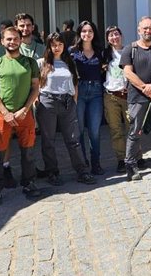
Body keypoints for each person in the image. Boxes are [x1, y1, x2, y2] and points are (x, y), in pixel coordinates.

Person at [0, 27, 41, 206]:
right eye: (8, 39)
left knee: (28, 152)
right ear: (2, 41)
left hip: (25, 114)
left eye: (15, 39)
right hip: (2, 116)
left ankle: (29, 182)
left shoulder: (30, 63)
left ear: (20, 40)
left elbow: (35, 88)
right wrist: (5, 112)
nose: (12, 42)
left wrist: (25, 109)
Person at [36, 33, 96, 186]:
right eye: (54, 45)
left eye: (60, 44)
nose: (57, 48)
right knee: (48, 140)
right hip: (48, 101)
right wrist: (37, 101)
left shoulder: (69, 62)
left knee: (73, 139)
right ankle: (52, 172)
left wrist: (74, 100)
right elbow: (35, 84)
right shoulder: (41, 63)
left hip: (67, 102)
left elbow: (74, 82)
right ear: (49, 46)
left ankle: (82, 170)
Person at [121, 17, 151, 180]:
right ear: (138, 30)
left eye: (150, 28)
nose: (147, 31)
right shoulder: (130, 49)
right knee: (135, 131)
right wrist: (145, 88)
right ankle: (131, 164)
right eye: (144, 28)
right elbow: (128, 72)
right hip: (137, 97)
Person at [69, 20, 105, 175]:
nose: (87, 34)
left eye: (90, 31)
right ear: (79, 33)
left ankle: (95, 163)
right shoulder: (72, 51)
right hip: (79, 91)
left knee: (94, 131)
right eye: (84, 31)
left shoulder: (100, 51)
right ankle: (82, 164)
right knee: (79, 131)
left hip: (96, 91)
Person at [102, 26, 131, 173]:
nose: (114, 37)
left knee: (132, 126)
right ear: (108, 39)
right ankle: (121, 159)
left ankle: (135, 157)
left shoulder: (129, 51)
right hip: (111, 96)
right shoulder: (105, 54)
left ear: (121, 35)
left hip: (127, 96)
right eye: (111, 36)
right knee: (116, 130)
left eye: (116, 34)